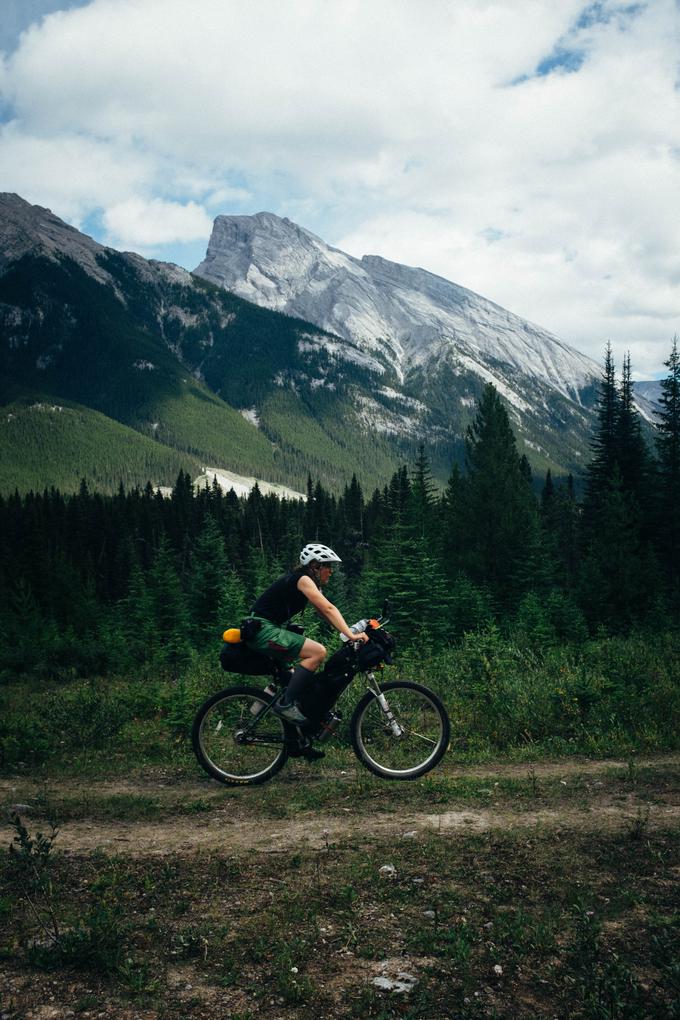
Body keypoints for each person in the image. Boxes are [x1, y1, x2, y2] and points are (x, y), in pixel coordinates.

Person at [245, 543, 369, 725]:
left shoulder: (308, 583)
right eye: (328, 566)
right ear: (315, 566)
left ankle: (297, 738)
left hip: (265, 628)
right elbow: (328, 608)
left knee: (295, 678)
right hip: (262, 629)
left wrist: (346, 632)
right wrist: (351, 636)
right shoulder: (303, 579)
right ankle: (286, 705)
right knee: (318, 652)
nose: (331, 571)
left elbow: (325, 613)